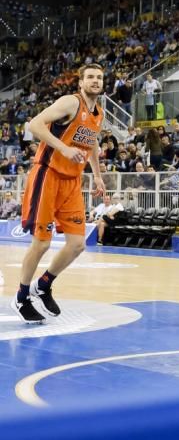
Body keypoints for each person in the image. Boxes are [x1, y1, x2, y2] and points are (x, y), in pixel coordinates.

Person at [11, 63, 105, 323]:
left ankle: (43, 285)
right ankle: (21, 296)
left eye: (99, 77)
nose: (95, 81)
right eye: (90, 77)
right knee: (41, 243)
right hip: (48, 174)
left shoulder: (99, 113)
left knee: (77, 245)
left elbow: (92, 141)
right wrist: (63, 149)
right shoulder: (70, 103)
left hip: (72, 181)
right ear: (81, 82)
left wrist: (97, 175)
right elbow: (35, 124)